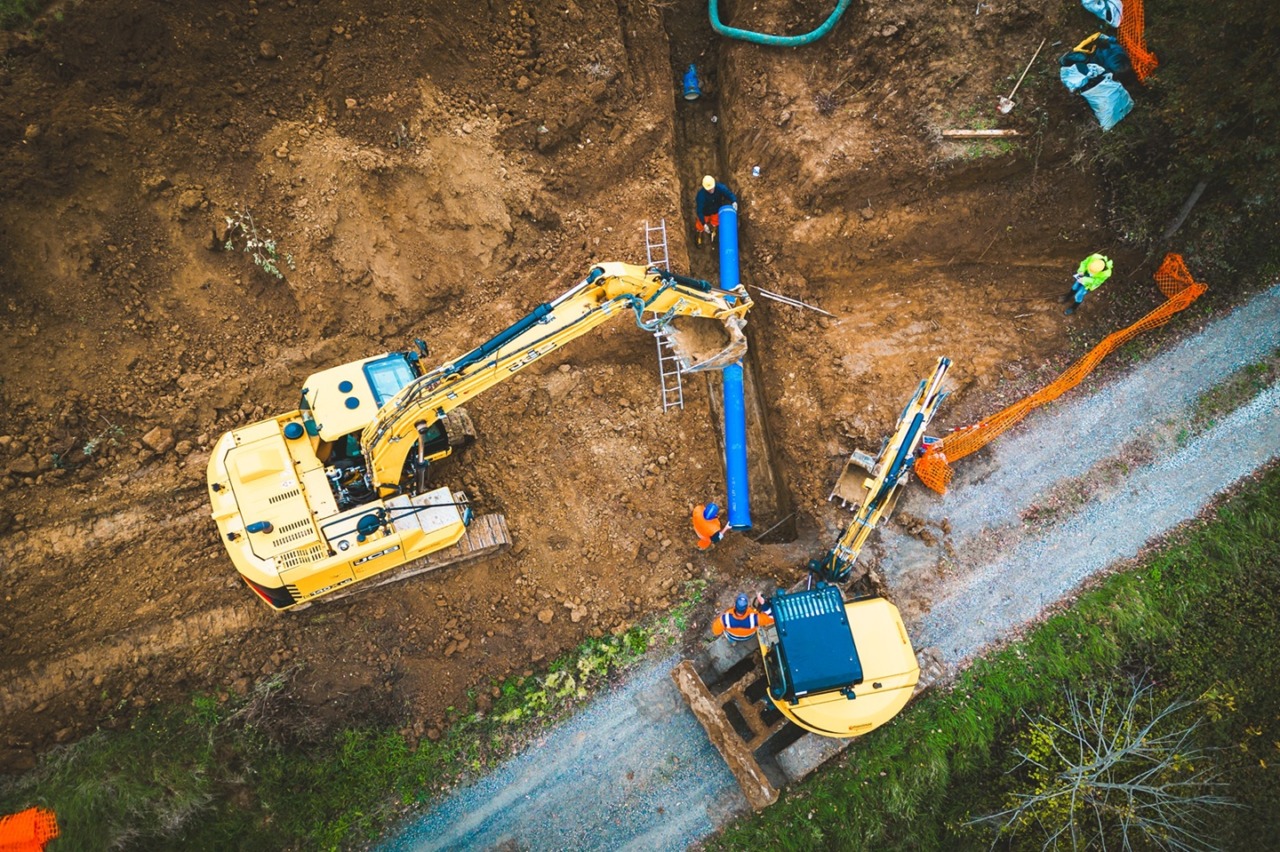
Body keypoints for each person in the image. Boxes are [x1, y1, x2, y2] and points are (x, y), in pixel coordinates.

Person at [694, 175, 738, 245]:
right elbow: (699, 211)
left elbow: (728, 194)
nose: (711, 190)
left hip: (716, 211)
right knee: (700, 226)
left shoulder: (720, 188)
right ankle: (699, 234)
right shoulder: (701, 196)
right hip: (705, 213)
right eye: (709, 189)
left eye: (712, 188)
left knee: (715, 222)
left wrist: (734, 201)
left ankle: (714, 232)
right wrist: (704, 224)